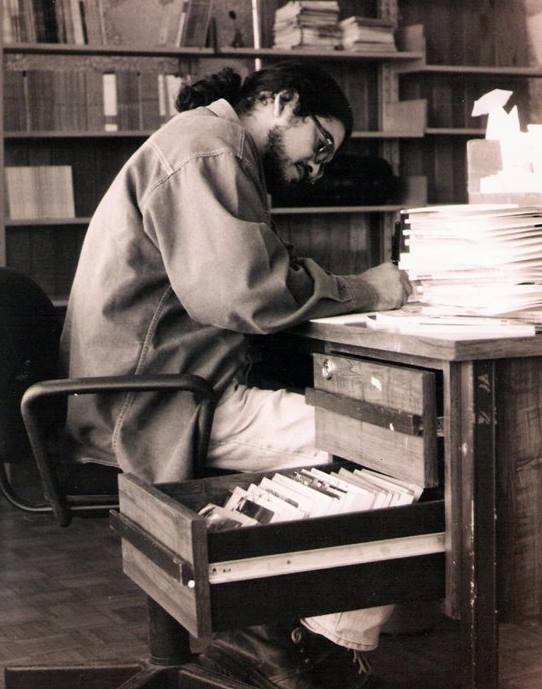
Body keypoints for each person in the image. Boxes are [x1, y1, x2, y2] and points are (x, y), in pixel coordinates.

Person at [60, 61, 412, 689]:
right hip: (159, 401)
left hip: (164, 384)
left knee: (358, 428)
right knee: (396, 448)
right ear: (282, 102)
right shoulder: (208, 151)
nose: (316, 170)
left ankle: (276, 619)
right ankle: (303, 641)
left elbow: (249, 280)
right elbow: (246, 294)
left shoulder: (211, 144)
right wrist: (368, 289)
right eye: (320, 145)